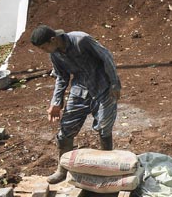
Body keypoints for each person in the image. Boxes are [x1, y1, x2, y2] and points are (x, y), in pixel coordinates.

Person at [30, 25, 122, 184]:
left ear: (53, 39)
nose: (44, 51)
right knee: (66, 128)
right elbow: (61, 77)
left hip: (103, 86)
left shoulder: (81, 40)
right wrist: (56, 102)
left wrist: (114, 84)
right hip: (80, 89)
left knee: (103, 127)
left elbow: (106, 57)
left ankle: (107, 169)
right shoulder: (55, 54)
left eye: (44, 47)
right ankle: (62, 169)